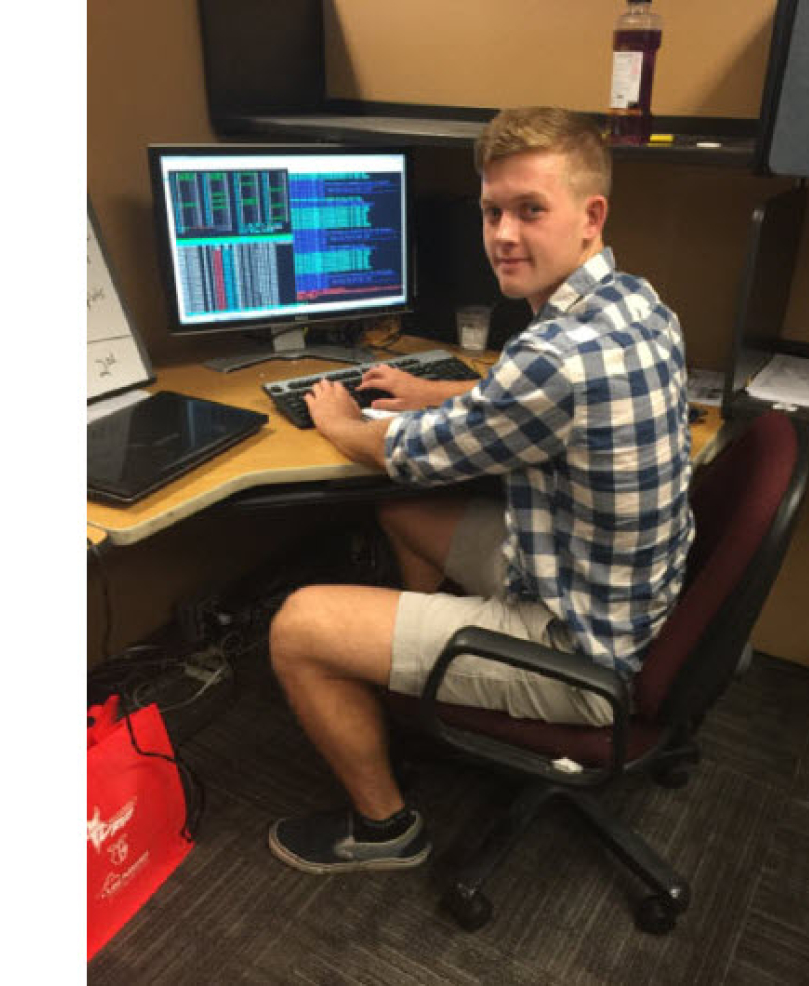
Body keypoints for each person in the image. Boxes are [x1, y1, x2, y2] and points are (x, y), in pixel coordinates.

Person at [267, 106, 694, 874]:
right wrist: (436, 390)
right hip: (618, 597)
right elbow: (514, 405)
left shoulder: (553, 359)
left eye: (531, 210)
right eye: (493, 210)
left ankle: (384, 830)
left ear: (590, 216)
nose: (503, 234)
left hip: (578, 651)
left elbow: (398, 452)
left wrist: (338, 416)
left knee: (297, 626)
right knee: (403, 514)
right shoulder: (635, 302)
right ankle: (418, 686)